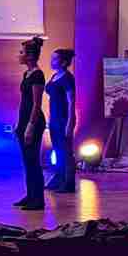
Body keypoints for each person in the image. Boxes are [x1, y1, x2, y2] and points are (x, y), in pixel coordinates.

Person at [13, 37, 46, 210]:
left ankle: (38, 200)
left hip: (33, 122)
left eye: (22, 52)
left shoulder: (38, 75)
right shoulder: (27, 74)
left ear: (30, 56)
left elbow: (36, 104)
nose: (19, 55)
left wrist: (30, 126)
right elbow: (24, 102)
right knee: (27, 161)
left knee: (33, 160)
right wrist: (19, 123)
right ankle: (30, 195)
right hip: (24, 120)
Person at [45, 48, 77, 193]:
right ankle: (58, 178)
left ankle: (68, 183)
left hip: (64, 119)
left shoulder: (67, 78)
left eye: (55, 59)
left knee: (65, 152)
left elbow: (71, 101)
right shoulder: (54, 76)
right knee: (58, 150)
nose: (51, 61)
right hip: (54, 118)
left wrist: (70, 123)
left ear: (63, 62)